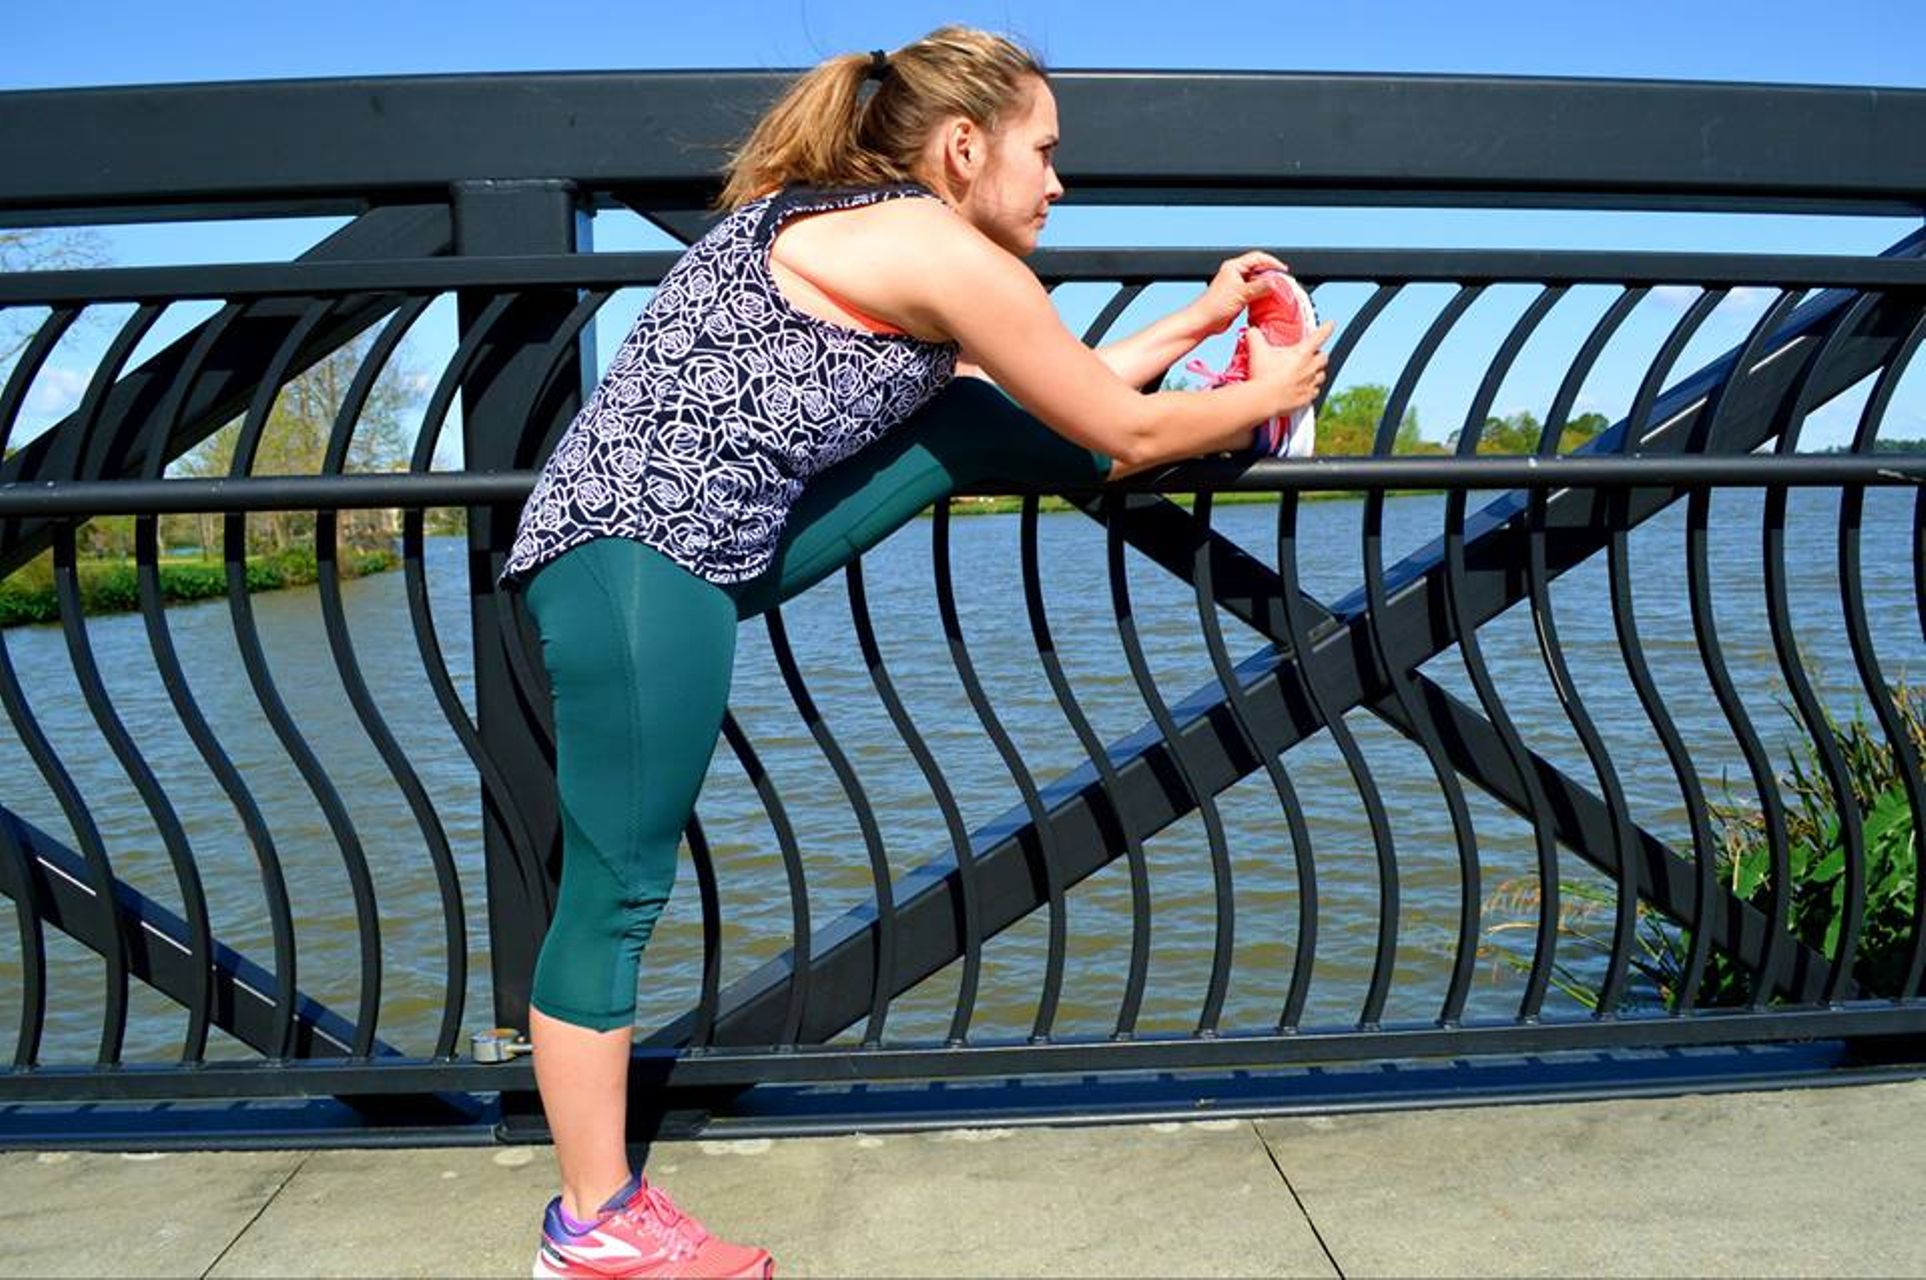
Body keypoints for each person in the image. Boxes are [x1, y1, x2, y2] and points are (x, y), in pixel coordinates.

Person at [500, 25, 1330, 1279]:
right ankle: (592, 1215)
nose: (1058, 182)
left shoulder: (844, 215)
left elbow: (1067, 401)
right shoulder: (940, 247)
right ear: (962, 146)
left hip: (682, 542)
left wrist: (1193, 323)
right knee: (614, 889)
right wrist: (1284, 373)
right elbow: (1116, 427)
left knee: (971, 422)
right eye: (1043, 153)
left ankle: (1249, 415)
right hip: (639, 558)